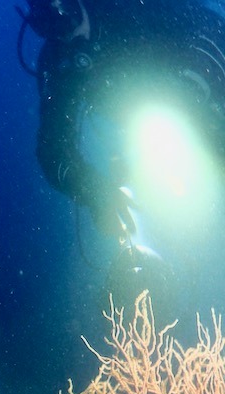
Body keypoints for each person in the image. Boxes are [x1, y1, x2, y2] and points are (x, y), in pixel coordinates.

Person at [19, 0, 225, 235]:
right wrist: (93, 190)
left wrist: (194, 84)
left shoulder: (124, 6)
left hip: (208, 101)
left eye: (65, 19)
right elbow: (52, 149)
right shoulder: (58, 65)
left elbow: (208, 25)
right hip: (151, 141)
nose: (70, 37)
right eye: (50, 28)